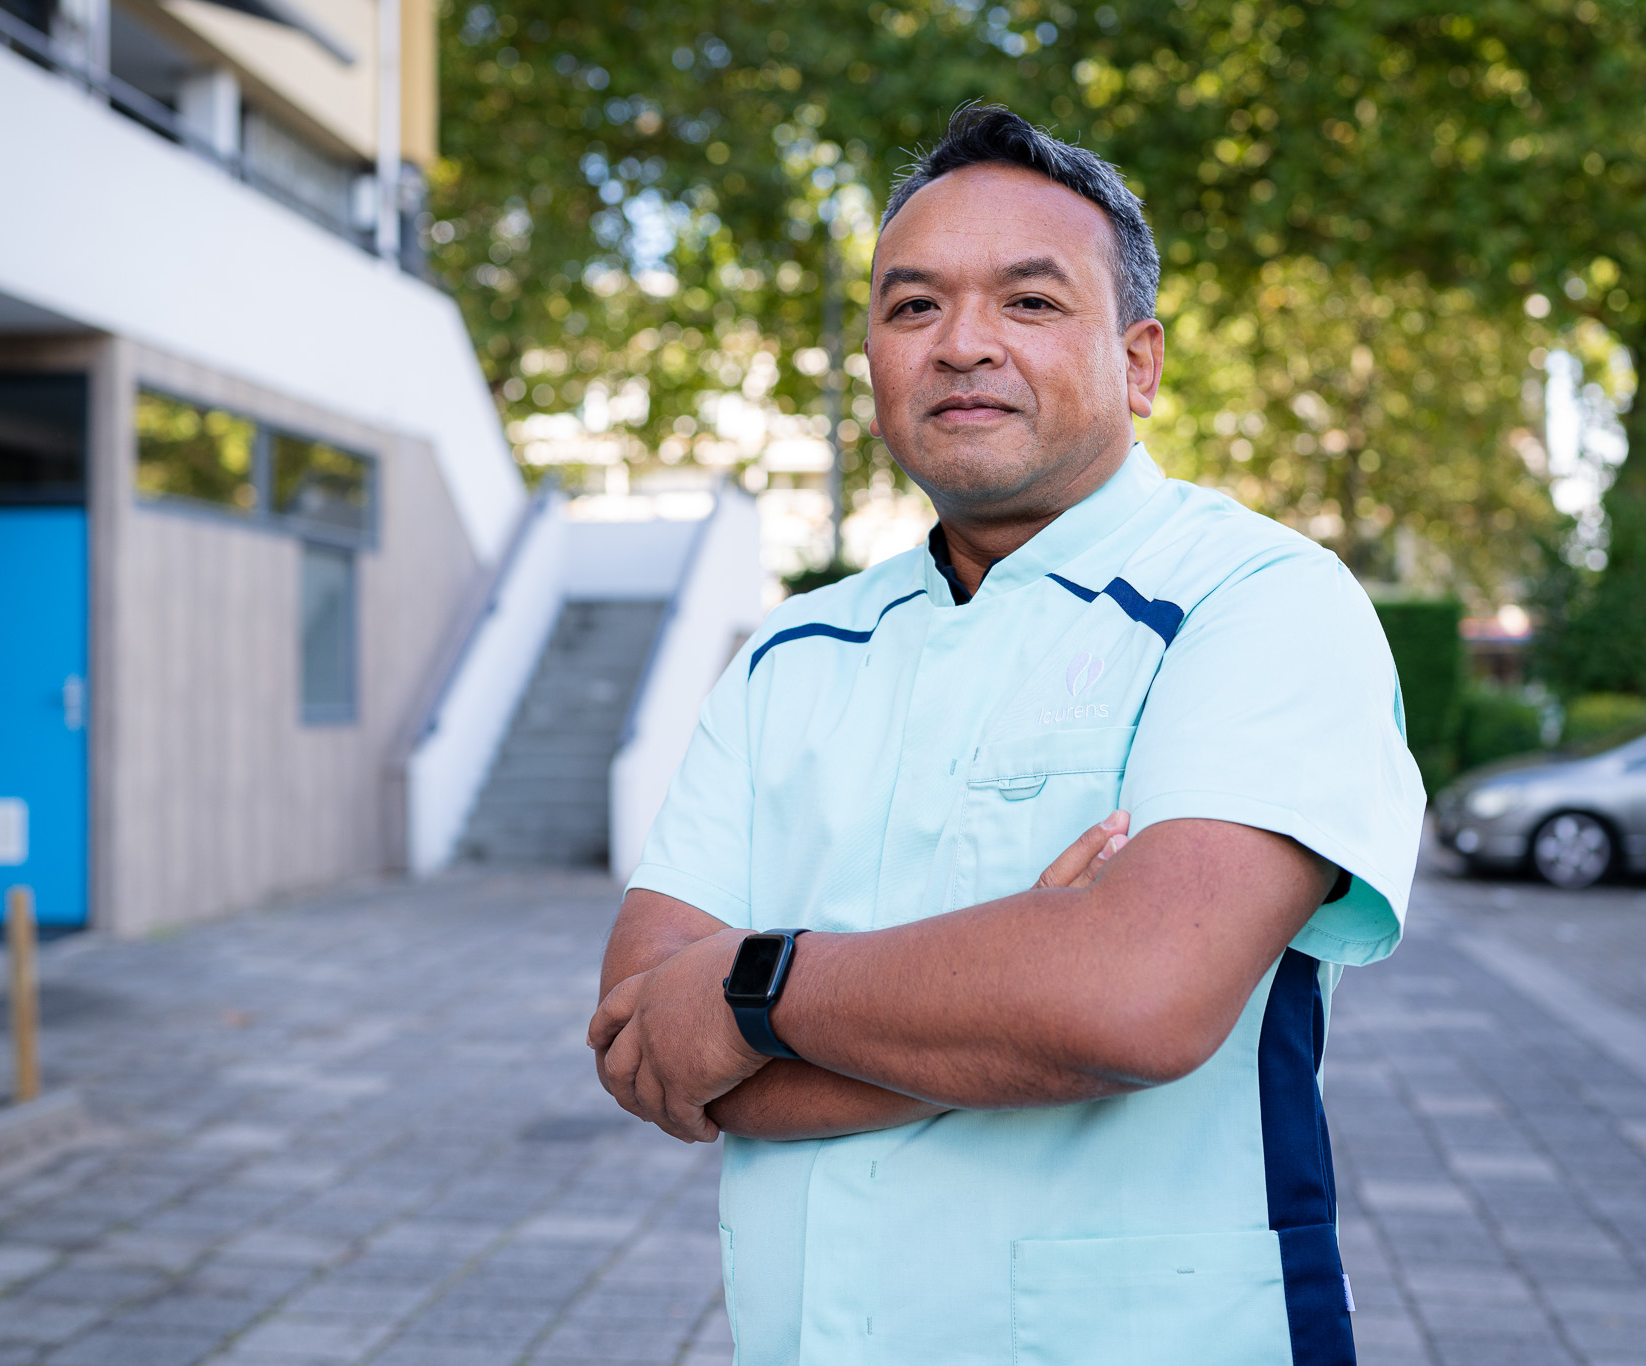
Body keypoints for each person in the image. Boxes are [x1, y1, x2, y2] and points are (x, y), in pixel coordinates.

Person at [587, 104, 1424, 1365]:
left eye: (1028, 303)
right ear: (867, 358)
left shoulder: (1259, 600)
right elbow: (642, 1042)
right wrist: (1018, 987)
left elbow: (1134, 1000)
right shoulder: (788, 654)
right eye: (911, 306)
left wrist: (746, 988)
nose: (960, 344)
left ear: (1138, 362)